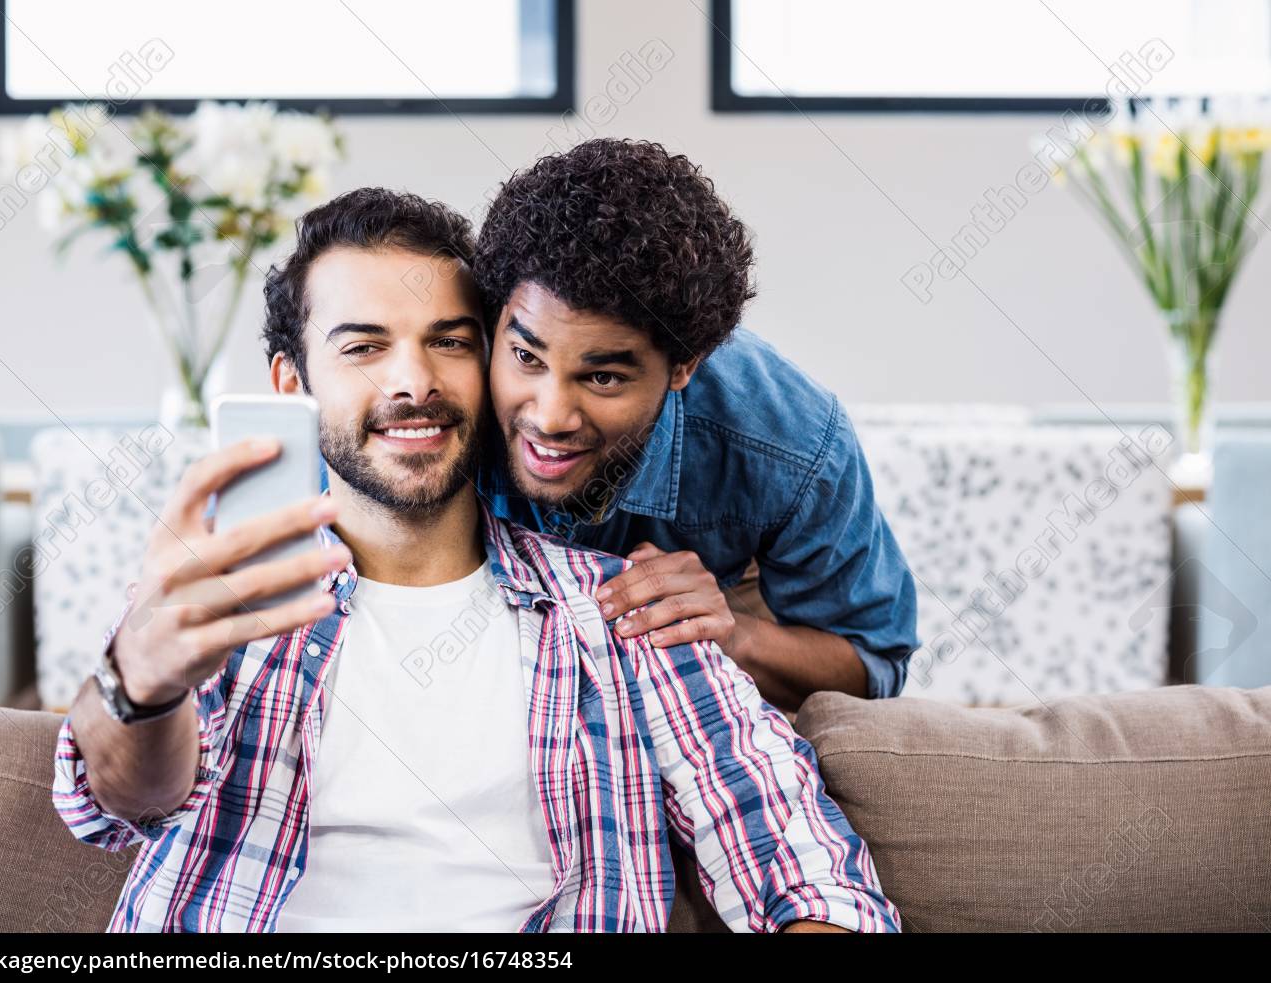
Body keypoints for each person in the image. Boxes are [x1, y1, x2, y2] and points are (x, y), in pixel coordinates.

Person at [51, 188, 899, 933]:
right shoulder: (226, 589)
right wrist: (141, 685)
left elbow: (805, 868)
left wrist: (738, 637)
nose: (413, 381)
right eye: (362, 347)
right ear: (291, 385)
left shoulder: (627, 609)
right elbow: (118, 805)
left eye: (448, 341)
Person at [471, 138, 920, 711]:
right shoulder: (438, 388)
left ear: (684, 365)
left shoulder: (792, 442)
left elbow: (873, 664)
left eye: (603, 377)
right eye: (527, 358)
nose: (549, 416)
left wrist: (733, 632)